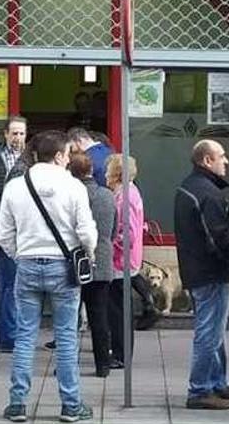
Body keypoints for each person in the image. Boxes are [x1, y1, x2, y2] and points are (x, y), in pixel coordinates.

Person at [0, 131, 98, 423]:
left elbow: (3, 234)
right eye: (67, 154)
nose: (68, 159)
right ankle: (70, 404)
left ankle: (17, 404)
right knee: (66, 337)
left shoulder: (16, 186)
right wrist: (87, 254)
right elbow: (86, 232)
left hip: (27, 264)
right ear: (58, 156)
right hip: (64, 267)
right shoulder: (74, 186)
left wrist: (21, 254)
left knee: (25, 335)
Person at [174, 140, 229, 410]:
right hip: (209, 272)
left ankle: (216, 381)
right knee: (209, 332)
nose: (226, 161)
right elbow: (219, 237)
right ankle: (200, 389)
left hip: (197, 269)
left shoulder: (189, 187)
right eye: (221, 156)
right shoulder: (208, 193)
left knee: (215, 330)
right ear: (206, 161)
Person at [69, 151, 116, 378]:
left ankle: (68, 364)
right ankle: (103, 364)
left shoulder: (70, 194)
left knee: (70, 316)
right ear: (91, 171)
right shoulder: (107, 195)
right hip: (103, 259)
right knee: (99, 315)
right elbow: (114, 230)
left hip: (75, 261)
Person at [0, 117, 27, 353]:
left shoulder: (31, 159)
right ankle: (6, 335)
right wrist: (2, 211)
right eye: (14, 133)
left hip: (26, 229)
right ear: (6, 134)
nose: (18, 138)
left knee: (18, 285)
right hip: (0, 227)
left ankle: (16, 332)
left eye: (22, 133)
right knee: (3, 283)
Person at [106, 153, 144, 369]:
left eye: (109, 170)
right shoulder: (130, 192)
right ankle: (120, 351)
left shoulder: (125, 196)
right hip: (126, 261)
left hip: (121, 263)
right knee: (119, 309)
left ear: (116, 173)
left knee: (118, 311)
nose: (106, 175)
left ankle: (120, 354)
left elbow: (125, 233)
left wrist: (111, 247)